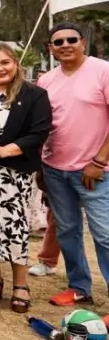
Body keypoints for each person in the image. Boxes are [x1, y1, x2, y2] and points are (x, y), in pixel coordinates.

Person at [0, 43, 51, 314]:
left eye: (5, 62)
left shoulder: (34, 94)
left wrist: (7, 150)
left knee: (15, 227)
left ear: (16, 63)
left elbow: (39, 132)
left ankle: (20, 283)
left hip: (14, 172)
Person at [37, 23, 109, 307]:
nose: (65, 45)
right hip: (55, 169)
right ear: (50, 48)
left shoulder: (102, 70)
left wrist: (100, 160)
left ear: (82, 42)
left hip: (94, 170)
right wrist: (41, 167)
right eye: (58, 42)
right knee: (67, 230)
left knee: (104, 234)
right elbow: (43, 126)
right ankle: (79, 286)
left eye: (71, 40)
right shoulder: (47, 81)